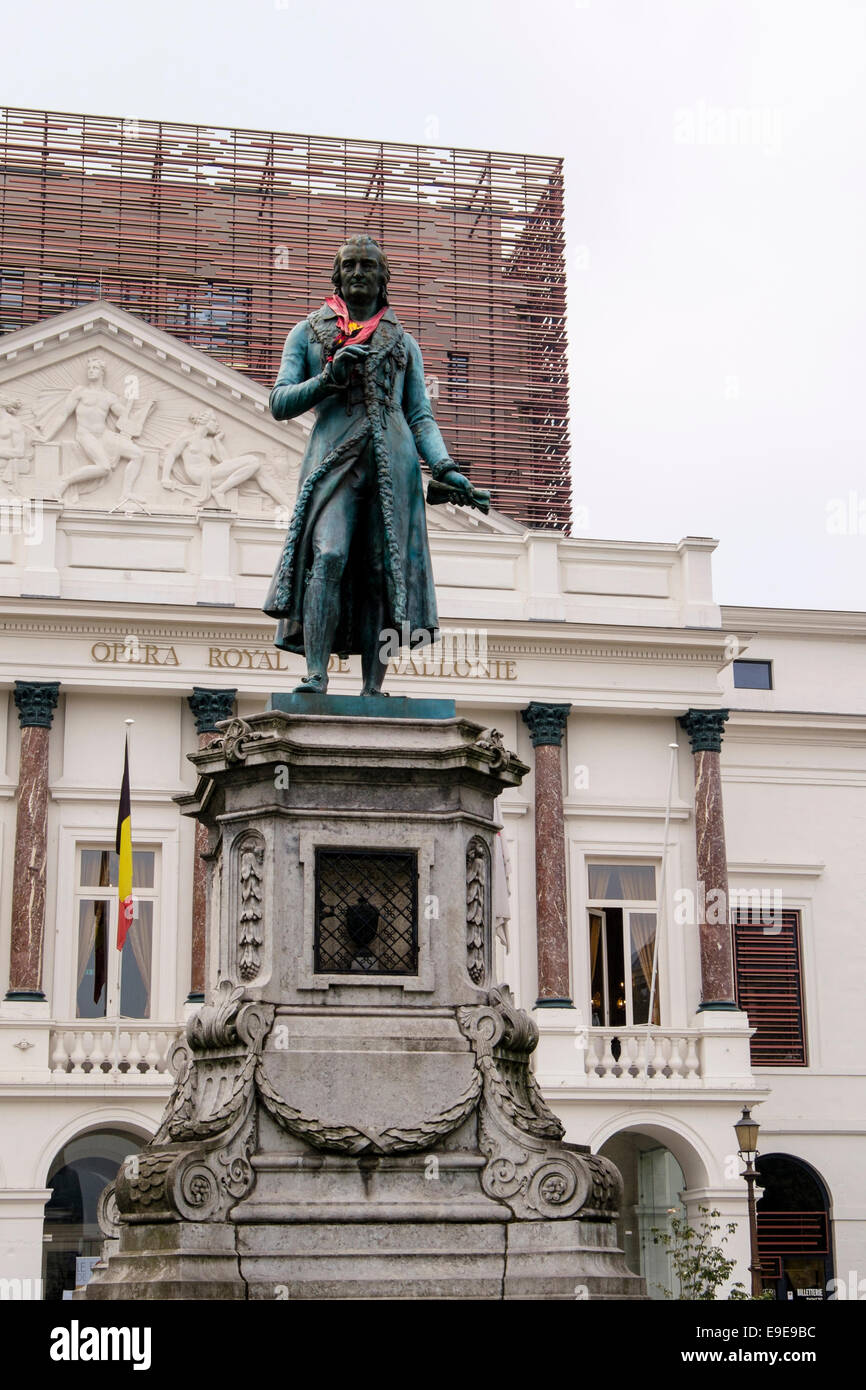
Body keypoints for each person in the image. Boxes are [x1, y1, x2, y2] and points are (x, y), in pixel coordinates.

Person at [263, 234, 474, 695]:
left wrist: (444, 466)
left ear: (383, 279)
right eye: (351, 266)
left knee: (385, 568)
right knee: (330, 554)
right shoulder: (308, 333)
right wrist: (328, 378)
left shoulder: (404, 342)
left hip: (392, 465)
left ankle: (373, 689)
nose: (359, 273)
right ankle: (316, 674)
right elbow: (279, 402)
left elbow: (420, 415)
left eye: (368, 266)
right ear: (337, 277)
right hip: (332, 461)